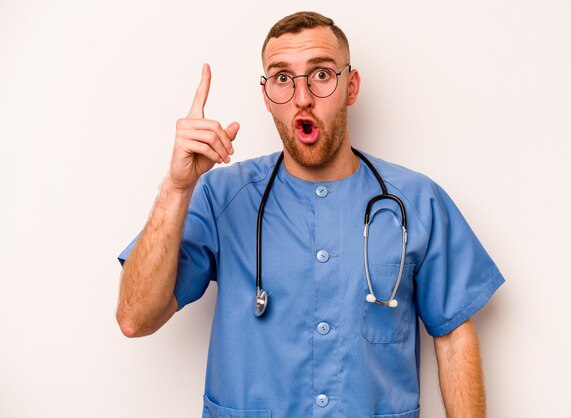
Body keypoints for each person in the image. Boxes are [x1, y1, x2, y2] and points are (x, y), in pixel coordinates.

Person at [116, 11, 504, 418]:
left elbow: (454, 336)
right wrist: (177, 188)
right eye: (283, 78)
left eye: (321, 74)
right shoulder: (220, 197)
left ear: (350, 86)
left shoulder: (415, 201)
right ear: (267, 97)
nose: (302, 97)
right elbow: (135, 319)